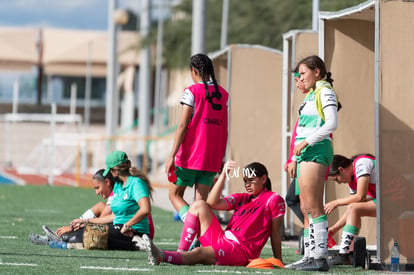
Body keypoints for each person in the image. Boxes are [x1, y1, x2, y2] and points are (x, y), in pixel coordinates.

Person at [142, 160, 286, 266]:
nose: (247, 184)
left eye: (251, 180)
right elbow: (212, 203)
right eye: (245, 181)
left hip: (240, 249)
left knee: (198, 253)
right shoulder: (242, 197)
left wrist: (278, 259)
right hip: (223, 238)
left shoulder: (274, 199)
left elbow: (275, 232)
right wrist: (223, 175)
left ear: (263, 179)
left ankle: (161, 255)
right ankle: (181, 251)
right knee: (199, 205)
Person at [288, 55, 339, 271]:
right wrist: (294, 156)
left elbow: (332, 124)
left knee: (314, 208)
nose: (300, 78)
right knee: (308, 207)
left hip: (316, 151)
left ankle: (319, 259)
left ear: (316, 71)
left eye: (302, 73)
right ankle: (311, 256)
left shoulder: (325, 91)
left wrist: (306, 143)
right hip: (306, 154)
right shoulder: (312, 94)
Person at [165, 53, 229, 222]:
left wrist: (171, 156)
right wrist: (221, 157)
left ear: (193, 71)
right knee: (200, 203)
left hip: (190, 156)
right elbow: (225, 129)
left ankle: (191, 224)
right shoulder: (223, 95)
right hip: (212, 158)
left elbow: (183, 126)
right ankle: (198, 239)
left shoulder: (191, 91)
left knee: (174, 194)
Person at [71, 150, 154, 250]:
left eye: (110, 170)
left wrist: (128, 225)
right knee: (82, 232)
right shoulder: (118, 186)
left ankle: (138, 244)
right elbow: (114, 216)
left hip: (133, 231)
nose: (110, 172)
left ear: (116, 170)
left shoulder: (136, 183)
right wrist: (86, 221)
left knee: (85, 236)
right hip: (118, 227)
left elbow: (145, 209)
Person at [28, 169, 116, 245]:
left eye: (97, 188)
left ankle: (65, 238)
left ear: (107, 182)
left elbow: (106, 217)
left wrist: (75, 227)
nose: (96, 193)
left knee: (91, 226)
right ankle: (66, 235)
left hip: (119, 230)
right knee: (101, 206)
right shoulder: (116, 188)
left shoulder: (116, 191)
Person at [325, 154, 377, 265]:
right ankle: (348, 254)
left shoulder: (361, 163)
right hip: (386, 200)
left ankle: (344, 255)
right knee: (353, 207)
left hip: (399, 200)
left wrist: (336, 202)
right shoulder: (352, 180)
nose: (339, 182)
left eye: (336, 180)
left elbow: (360, 197)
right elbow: (352, 209)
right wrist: (334, 229)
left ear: (341, 170)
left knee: (354, 207)